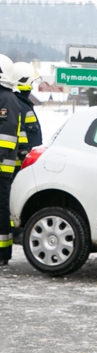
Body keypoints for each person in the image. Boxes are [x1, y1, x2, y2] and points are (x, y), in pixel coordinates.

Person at [0, 54, 23, 265]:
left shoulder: (6, 99)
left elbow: (6, 137)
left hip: (2, 167)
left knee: (0, 211)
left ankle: (2, 254)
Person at [11, 61, 42, 171]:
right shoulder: (19, 104)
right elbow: (20, 133)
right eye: (31, 82)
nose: (31, 86)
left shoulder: (22, 103)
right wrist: (25, 155)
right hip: (20, 164)